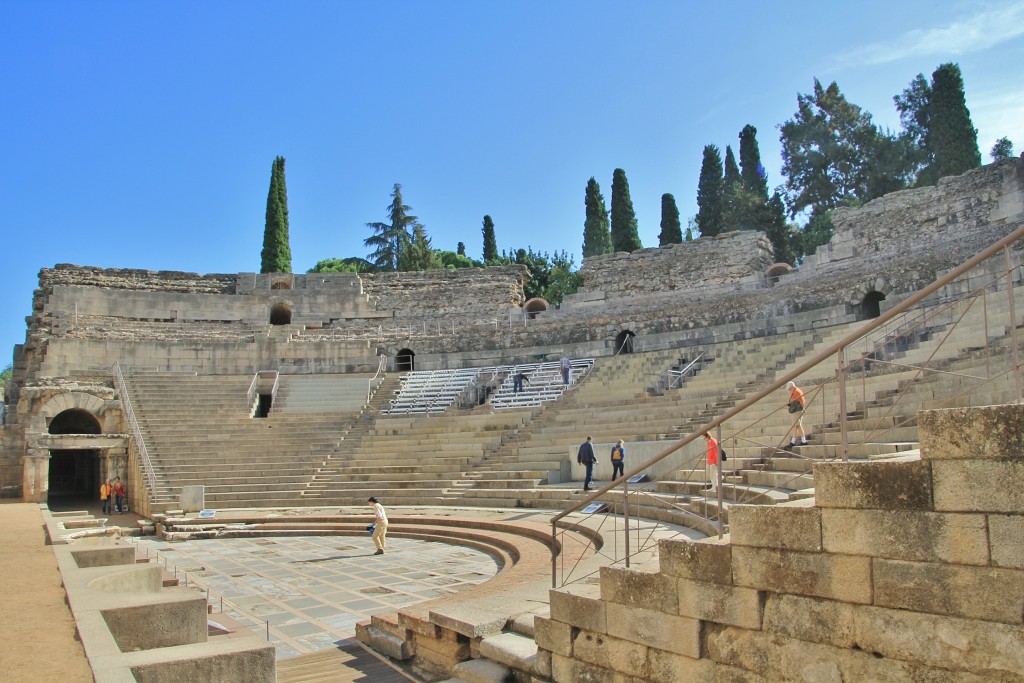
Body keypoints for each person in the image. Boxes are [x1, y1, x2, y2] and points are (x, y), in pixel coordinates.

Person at [786, 381, 808, 448]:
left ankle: (803, 441)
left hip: (798, 410)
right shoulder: (795, 392)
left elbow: (802, 401)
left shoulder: (797, 391)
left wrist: (803, 409)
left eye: (789, 388)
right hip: (796, 410)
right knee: (795, 426)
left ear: (792, 386)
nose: (789, 390)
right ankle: (793, 441)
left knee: (798, 425)